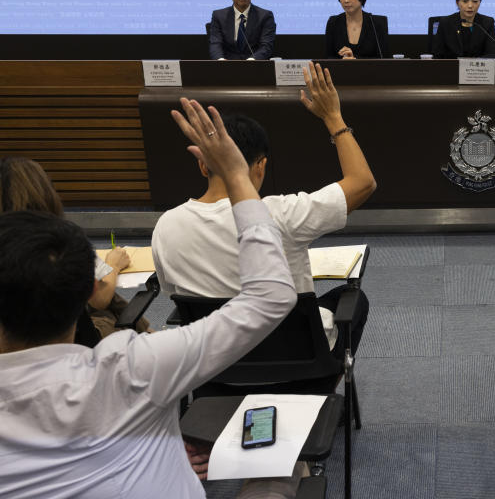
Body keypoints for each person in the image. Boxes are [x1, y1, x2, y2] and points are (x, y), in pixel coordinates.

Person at [0, 96, 303, 497]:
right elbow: (270, 298)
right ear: (92, 288)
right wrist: (236, 175)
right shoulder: (134, 369)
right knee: (280, 470)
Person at [152, 62, 376, 361]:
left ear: (202, 164)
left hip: (214, 366)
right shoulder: (280, 214)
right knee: (352, 299)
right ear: (261, 166)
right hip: (296, 361)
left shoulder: (166, 226)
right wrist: (333, 117)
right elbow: (363, 183)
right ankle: (327, 387)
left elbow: (176, 297)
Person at [0, 156, 149, 342]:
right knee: (110, 303)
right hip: (70, 340)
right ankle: (147, 337)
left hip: (15, 338)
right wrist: (113, 266)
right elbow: (99, 298)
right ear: (45, 193)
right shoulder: (60, 241)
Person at [208, 0, 276, 60]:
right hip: (226, 68)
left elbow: (266, 46)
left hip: (255, 68)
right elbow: (215, 44)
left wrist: (251, 61)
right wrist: (221, 61)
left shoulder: (265, 16)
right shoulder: (219, 16)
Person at [325, 0, 389, 59]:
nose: (346, 0)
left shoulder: (377, 23)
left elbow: (384, 59)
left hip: (370, 72)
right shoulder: (333, 22)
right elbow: (328, 58)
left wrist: (355, 60)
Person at [431, 0, 495, 58]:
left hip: (478, 69)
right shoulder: (446, 23)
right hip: (451, 68)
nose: (470, 5)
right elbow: (438, 55)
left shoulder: (487, 23)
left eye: (475, 1)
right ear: (457, 2)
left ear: (480, 2)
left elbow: (491, 54)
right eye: (465, 1)